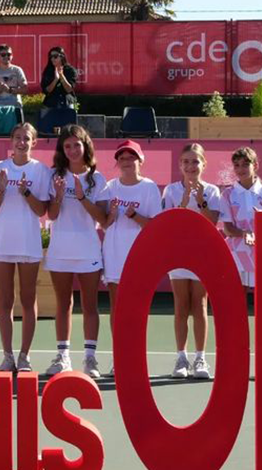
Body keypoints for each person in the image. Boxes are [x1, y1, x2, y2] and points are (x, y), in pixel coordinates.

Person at [44, 125, 108, 378]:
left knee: (90, 305)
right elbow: (52, 214)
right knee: (63, 304)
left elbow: (103, 218)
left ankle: (90, 359)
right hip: (60, 249)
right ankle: (63, 357)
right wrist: (59, 195)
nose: (72, 150)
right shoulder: (54, 176)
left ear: (85, 146)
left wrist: (82, 198)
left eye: (76, 145)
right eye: (67, 146)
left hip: (88, 248)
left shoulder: (97, 179)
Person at [0, 122, 50, 372]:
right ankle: (8, 356)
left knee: (27, 298)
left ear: (34, 143)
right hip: (3, 241)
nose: (21, 142)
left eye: (27, 138)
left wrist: (25, 192)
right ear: (11, 141)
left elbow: (41, 210)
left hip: (29, 243)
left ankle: (24, 356)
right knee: (4, 299)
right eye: (17, 138)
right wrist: (2, 189)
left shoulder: (41, 171)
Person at [101, 140, 161, 375]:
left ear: (140, 160)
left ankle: (135, 356)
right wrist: (112, 214)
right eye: (122, 158)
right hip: (114, 253)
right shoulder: (109, 187)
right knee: (117, 306)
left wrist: (134, 215)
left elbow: (155, 226)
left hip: (139, 254)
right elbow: (104, 223)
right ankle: (119, 357)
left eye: (131, 157)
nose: (126, 162)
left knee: (137, 307)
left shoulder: (149, 188)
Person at [161, 143, 220, 379]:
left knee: (200, 306)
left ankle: (200, 358)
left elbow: (212, 222)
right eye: (186, 162)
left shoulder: (213, 191)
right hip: (177, 254)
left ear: (203, 164)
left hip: (203, 254)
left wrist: (201, 200)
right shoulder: (171, 191)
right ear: (180, 165)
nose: (190, 166)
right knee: (180, 307)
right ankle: (181, 359)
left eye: (195, 161)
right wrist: (185, 200)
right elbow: (169, 222)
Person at [220, 147, 262, 290]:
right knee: (237, 295)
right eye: (236, 165)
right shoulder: (227, 194)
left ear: (255, 166)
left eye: (245, 164)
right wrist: (245, 233)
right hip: (237, 253)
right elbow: (228, 228)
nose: (240, 169)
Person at [0, 45, 27, 134]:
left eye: (9, 54)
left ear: (12, 55)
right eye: (3, 55)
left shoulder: (17, 70)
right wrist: (0, 89)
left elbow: (25, 89)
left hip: (15, 107)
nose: (6, 57)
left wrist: (11, 90)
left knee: (18, 134)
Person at [40, 47, 78, 111]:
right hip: (50, 104)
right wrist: (56, 79)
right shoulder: (48, 71)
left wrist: (61, 76)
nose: (52, 59)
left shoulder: (70, 70)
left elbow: (69, 89)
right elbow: (47, 90)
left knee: (68, 119)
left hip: (67, 102)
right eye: (51, 57)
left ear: (62, 57)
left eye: (55, 56)